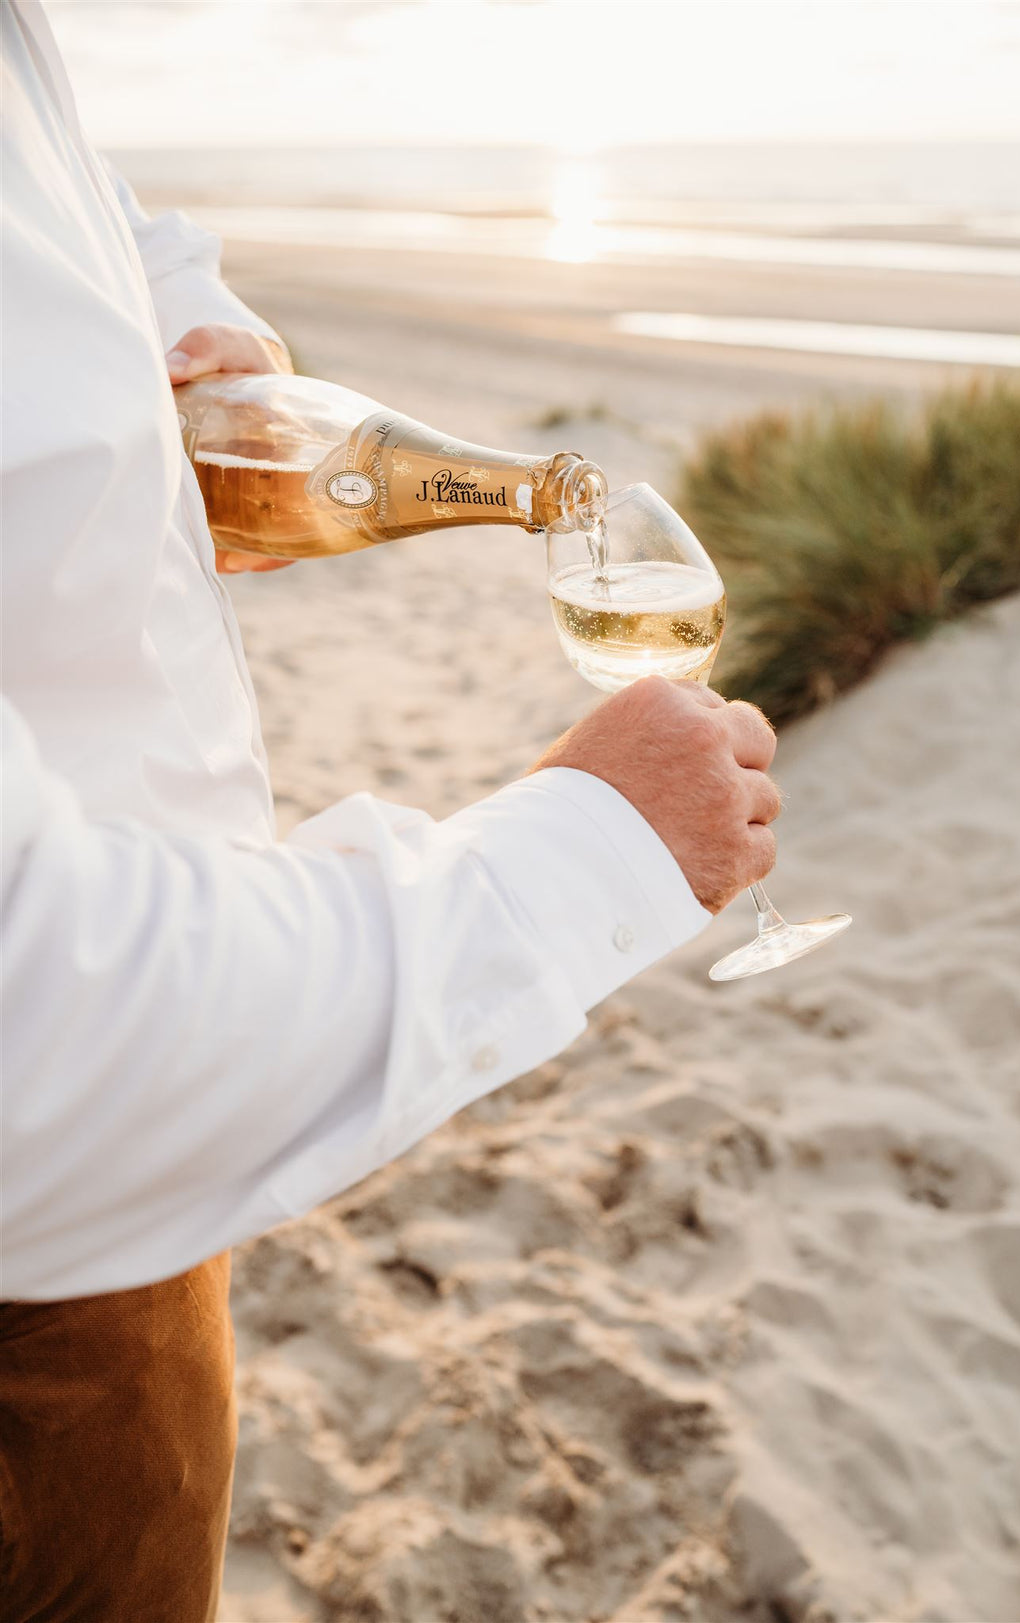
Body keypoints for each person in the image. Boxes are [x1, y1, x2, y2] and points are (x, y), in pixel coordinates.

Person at [0, 3, 781, 1618]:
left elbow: (81, 200)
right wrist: (591, 854)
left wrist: (193, 321)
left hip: (152, 1169)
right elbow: (26, 1042)